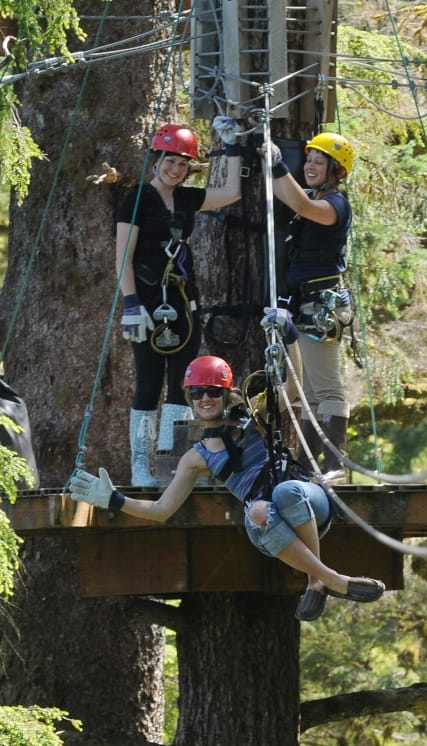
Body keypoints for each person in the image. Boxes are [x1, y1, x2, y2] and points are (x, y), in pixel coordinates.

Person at [70, 308, 385, 622]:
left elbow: (293, 387)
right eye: (196, 394)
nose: (204, 399)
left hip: (306, 501)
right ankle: (328, 578)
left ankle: (316, 580)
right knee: (258, 510)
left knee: (287, 491)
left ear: (225, 394)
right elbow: (161, 511)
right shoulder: (196, 457)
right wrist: (115, 500)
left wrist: (290, 337)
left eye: (212, 392)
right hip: (266, 522)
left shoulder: (253, 413)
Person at [116, 119, 243, 487]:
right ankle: (141, 466)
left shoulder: (186, 199)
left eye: (183, 164)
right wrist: (131, 302)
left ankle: (168, 461)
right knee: (148, 385)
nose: (175, 169)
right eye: (170, 161)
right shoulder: (137, 199)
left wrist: (230, 147)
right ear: (157, 159)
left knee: (180, 387)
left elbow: (231, 190)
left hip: (184, 306)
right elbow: (123, 256)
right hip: (147, 305)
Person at [258, 132, 355, 482]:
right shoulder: (315, 196)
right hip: (305, 302)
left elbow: (299, 204)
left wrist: (280, 163)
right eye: (309, 160)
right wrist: (268, 161)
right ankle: (306, 463)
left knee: (327, 388)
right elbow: (288, 194)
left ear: (335, 170)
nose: (311, 166)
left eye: (319, 162)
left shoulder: (335, 206)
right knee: (310, 391)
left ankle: (334, 465)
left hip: (321, 303)